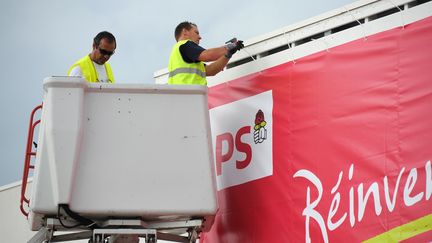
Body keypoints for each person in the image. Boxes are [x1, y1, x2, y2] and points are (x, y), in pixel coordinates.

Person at [168, 21, 244, 85]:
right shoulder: (185, 44)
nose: (200, 37)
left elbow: (210, 70)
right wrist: (229, 47)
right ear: (185, 32)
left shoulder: (178, 53)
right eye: (196, 33)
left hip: (183, 97)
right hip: (189, 96)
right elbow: (208, 55)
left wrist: (228, 54)